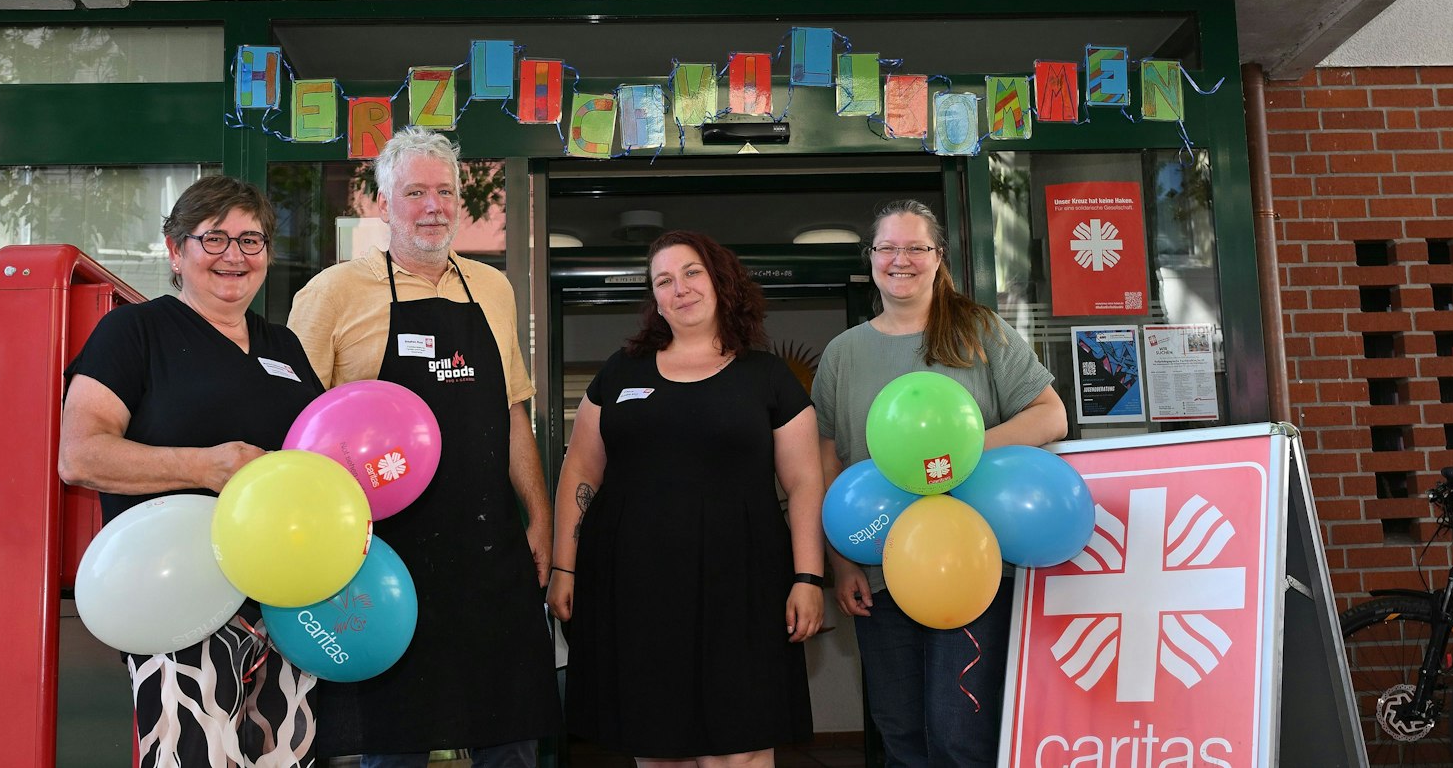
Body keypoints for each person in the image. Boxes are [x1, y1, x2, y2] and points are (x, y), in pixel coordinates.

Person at [286, 128, 560, 768]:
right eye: (415, 193)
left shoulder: (493, 289)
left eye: (444, 191)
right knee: (393, 744)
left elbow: (512, 412)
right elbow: (295, 430)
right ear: (382, 204)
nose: (433, 206)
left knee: (510, 736)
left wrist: (540, 517)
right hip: (383, 561)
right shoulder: (334, 293)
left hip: (490, 551)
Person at [59, 174, 329, 768]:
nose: (234, 256)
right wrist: (208, 467)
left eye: (251, 240)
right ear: (175, 250)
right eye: (214, 239)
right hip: (177, 598)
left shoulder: (283, 346)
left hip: (283, 607)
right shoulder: (134, 333)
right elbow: (80, 455)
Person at [548, 230, 823, 767]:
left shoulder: (768, 378)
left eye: (692, 273)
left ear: (720, 280)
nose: (681, 289)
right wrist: (564, 567)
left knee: (739, 750)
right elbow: (580, 469)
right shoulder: (619, 373)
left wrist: (807, 579)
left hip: (742, 586)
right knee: (657, 749)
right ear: (654, 298)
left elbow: (805, 483)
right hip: (634, 586)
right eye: (664, 281)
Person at [814, 200, 1068, 768]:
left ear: (938, 259)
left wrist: (959, 458)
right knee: (900, 734)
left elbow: (1051, 416)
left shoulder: (977, 330)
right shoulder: (843, 355)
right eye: (887, 248)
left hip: (970, 568)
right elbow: (830, 458)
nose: (900, 260)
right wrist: (841, 562)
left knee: (960, 738)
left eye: (916, 248)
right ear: (870, 259)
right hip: (880, 566)